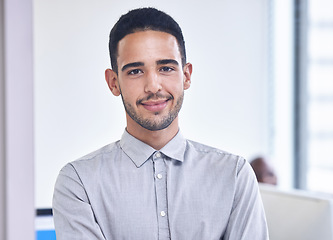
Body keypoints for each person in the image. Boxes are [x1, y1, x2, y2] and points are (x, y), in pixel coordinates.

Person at [52, 7, 269, 240]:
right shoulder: (78, 183)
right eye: (135, 71)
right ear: (113, 82)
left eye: (166, 68)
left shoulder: (234, 176)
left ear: (186, 76)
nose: (153, 86)